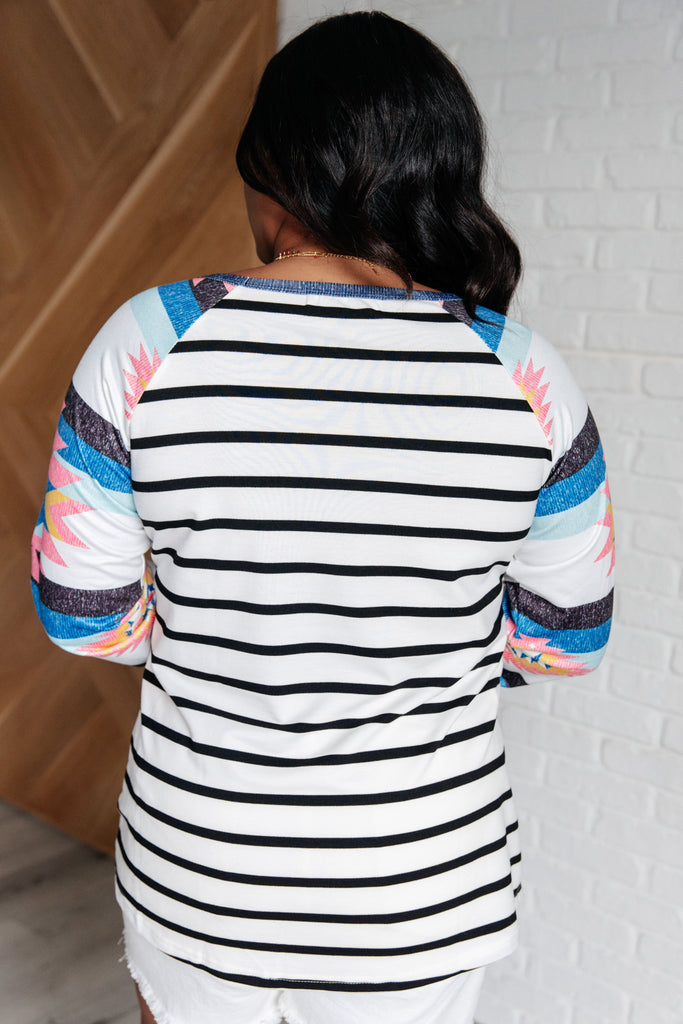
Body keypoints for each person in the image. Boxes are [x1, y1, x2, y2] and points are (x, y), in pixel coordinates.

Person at [31, 11, 614, 1024]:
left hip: (200, 874)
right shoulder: (524, 376)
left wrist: (224, 633)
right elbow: (565, 644)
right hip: (421, 889)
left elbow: (83, 616)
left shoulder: (151, 342)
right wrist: (417, 642)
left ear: (272, 172)